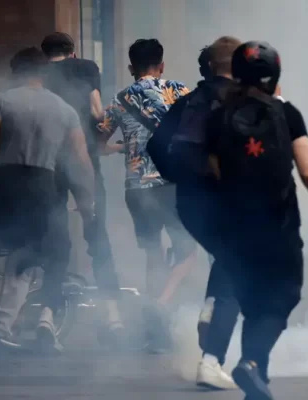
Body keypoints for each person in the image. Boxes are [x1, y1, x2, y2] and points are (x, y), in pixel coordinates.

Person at [202, 41, 308, 400]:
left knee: (252, 303)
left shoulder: (218, 117)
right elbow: (307, 171)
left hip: (235, 228)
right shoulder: (287, 113)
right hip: (279, 226)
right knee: (281, 298)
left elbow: (212, 173)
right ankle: (251, 363)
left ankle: (256, 379)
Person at [0, 47, 96, 372]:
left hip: (5, 185)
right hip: (42, 190)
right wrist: (87, 204)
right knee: (23, 264)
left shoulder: (2, 101)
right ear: (44, 74)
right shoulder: (64, 110)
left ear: (15, 71)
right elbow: (82, 163)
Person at [149, 36, 242, 390]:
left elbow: (155, 145)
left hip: (189, 202)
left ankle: (209, 309)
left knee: (225, 258)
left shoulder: (188, 102)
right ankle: (211, 361)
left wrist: (178, 176)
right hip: (231, 200)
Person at [96, 38, 196, 352]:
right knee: (188, 250)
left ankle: (156, 333)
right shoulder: (181, 92)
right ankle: (160, 304)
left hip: (137, 188)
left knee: (153, 254)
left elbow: (98, 145)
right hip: (174, 184)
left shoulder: (120, 99)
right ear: (161, 65)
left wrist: (125, 147)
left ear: (131, 68)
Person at [40, 31, 125, 347]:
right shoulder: (86, 68)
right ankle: (113, 318)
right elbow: (97, 112)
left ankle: (47, 316)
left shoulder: (37, 73)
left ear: (45, 54)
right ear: (72, 52)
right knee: (97, 236)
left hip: (48, 164)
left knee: (55, 239)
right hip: (84, 161)